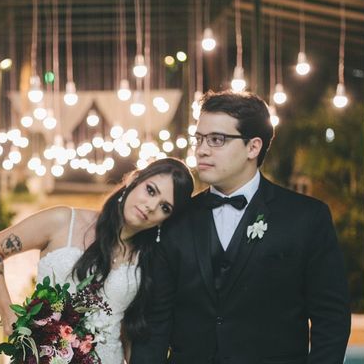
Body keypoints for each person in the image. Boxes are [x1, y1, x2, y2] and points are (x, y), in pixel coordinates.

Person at [131, 90, 351, 364]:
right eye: (198, 139)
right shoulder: (175, 219)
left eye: (217, 140)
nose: (201, 149)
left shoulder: (306, 217)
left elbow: (331, 317)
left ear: (253, 147)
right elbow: (155, 323)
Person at [0, 157, 195, 364]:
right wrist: (7, 314)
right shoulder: (63, 221)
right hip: (44, 357)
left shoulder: (149, 261)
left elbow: (129, 331)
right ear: (134, 180)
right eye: (150, 190)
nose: (151, 206)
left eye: (165, 207)